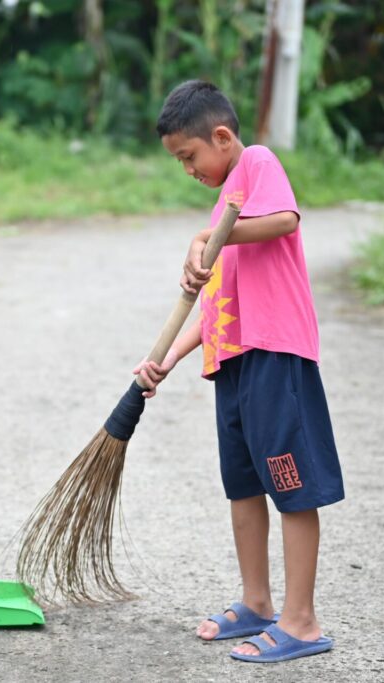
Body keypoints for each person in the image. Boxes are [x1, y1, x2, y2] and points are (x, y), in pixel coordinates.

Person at [134, 80, 344, 663]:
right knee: (245, 485)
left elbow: (285, 221)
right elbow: (214, 308)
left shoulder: (255, 163)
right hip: (231, 363)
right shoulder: (223, 206)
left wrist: (209, 236)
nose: (188, 169)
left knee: (292, 484)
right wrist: (169, 358)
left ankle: (300, 621)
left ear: (221, 137)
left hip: (276, 355)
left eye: (190, 157)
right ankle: (257, 602)